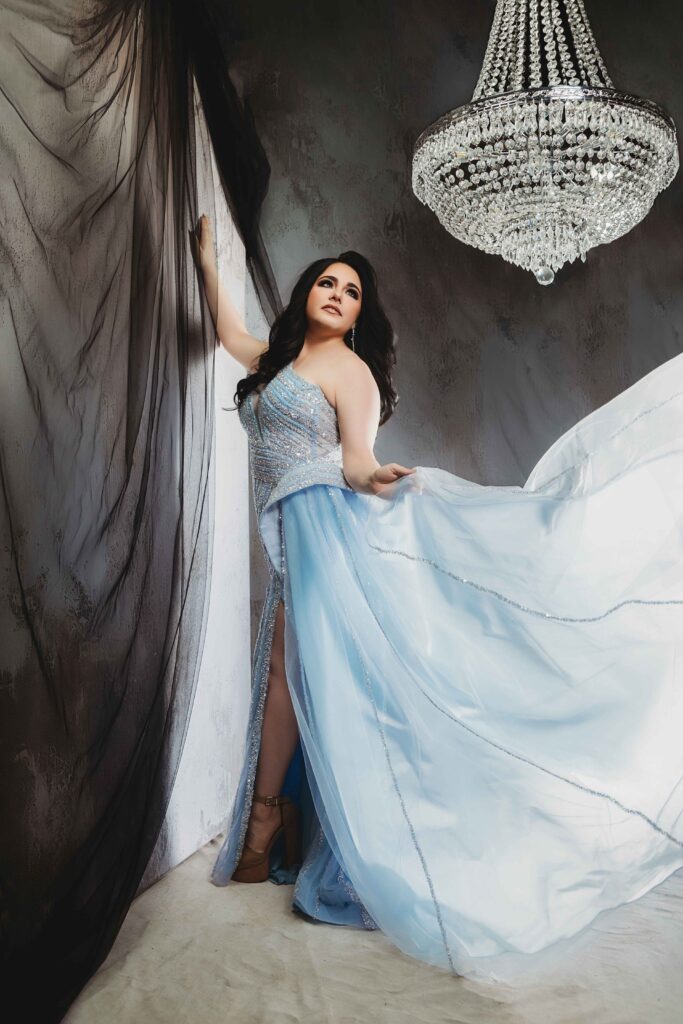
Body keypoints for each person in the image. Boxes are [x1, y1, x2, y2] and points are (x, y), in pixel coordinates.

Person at [195, 214, 683, 980]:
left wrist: (376, 479)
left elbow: (356, 459)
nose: (336, 294)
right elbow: (230, 335)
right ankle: (276, 821)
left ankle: (277, 825)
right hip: (296, 530)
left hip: (326, 523)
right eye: (326, 282)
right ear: (306, 295)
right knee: (292, 667)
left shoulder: (349, 374)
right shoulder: (278, 359)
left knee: (310, 670)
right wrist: (203, 259)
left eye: (350, 292)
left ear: (359, 315)